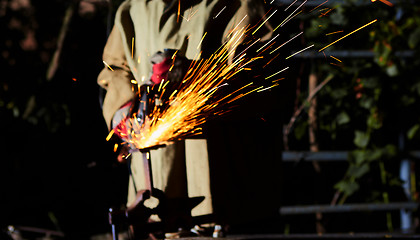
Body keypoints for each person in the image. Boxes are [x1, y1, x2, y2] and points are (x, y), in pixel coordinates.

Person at [97, 0, 283, 234]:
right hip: (152, 193)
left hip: (226, 193)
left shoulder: (241, 5)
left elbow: (262, 83)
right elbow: (114, 69)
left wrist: (191, 75)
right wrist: (123, 110)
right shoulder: (134, 8)